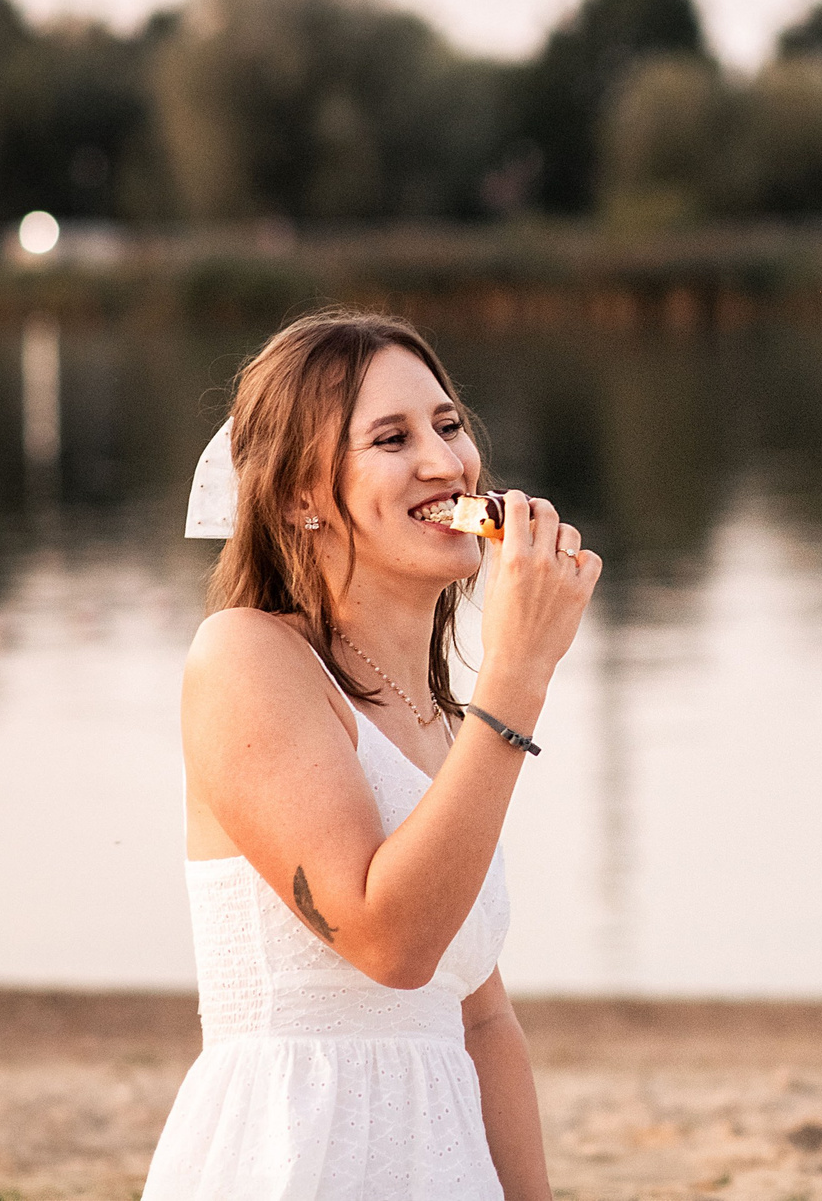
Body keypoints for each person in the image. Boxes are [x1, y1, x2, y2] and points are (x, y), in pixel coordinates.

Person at [144, 309, 600, 1200]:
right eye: (392, 438)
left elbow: (481, 1018)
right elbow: (389, 941)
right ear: (299, 497)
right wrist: (518, 673)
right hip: (296, 1160)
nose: (444, 461)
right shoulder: (246, 656)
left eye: (449, 425)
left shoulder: (445, 723)